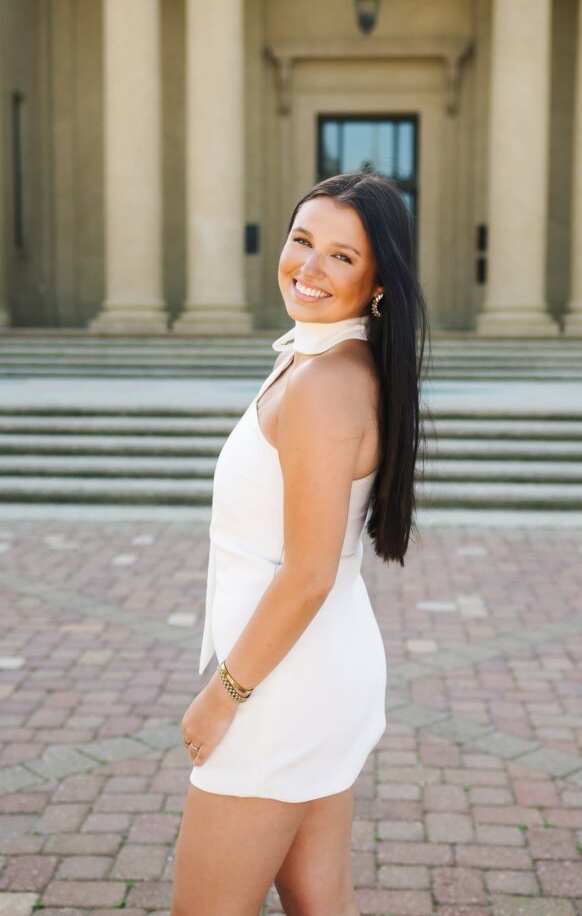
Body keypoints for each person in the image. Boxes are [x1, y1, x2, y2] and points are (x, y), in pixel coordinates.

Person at [170, 171, 431, 916]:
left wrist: (222, 699)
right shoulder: (323, 362)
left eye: (342, 257)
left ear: (379, 280)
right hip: (312, 669)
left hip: (282, 688)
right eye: (303, 241)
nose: (310, 268)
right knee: (321, 902)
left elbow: (308, 572)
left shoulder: (325, 386)